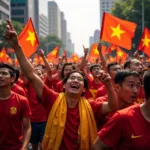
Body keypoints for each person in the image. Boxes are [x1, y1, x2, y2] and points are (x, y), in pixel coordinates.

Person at [4, 20, 119, 149]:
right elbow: (31, 75)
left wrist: (109, 85)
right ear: (63, 86)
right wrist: (17, 47)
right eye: (72, 78)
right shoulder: (52, 98)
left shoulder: (91, 105)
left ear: (84, 89)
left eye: (79, 79)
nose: (75, 80)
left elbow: (112, 106)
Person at [92, 70, 150, 150]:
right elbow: (112, 106)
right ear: (117, 87)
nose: (135, 91)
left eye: (138, 86)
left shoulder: (138, 110)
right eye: (131, 85)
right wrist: (108, 85)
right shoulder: (101, 102)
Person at [0, 63, 31, 150]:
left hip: (15, 147)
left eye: (4, 73)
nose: (0, 76)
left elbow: (27, 127)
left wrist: (24, 147)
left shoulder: (22, 100)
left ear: (12, 79)